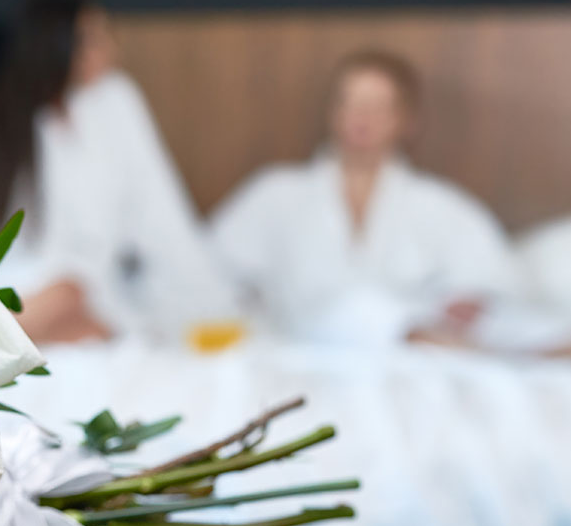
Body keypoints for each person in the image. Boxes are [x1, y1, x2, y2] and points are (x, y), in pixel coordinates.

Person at [0, 0, 229, 345]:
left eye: (105, 36)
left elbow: (158, 208)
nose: (108, 50)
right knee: (62, 297)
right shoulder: (5, 123)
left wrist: (206, 293)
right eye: (91, 40)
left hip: (84, 287)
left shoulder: (114, 102)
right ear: (53, 45)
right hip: (19, 279)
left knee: (79, 304)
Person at [209, 50, 528, 349]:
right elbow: (208, 275)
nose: (360, 118)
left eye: (377, 107)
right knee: (356, 308)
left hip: (413, 357)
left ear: (408, 121)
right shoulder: (275, 193)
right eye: (350, 104)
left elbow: (490, 284)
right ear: (332, 112)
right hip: (300, 348)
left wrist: (468, 304)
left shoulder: (441, 205)